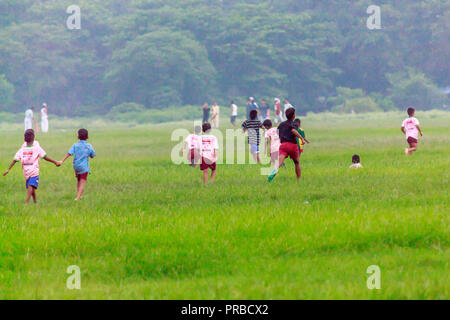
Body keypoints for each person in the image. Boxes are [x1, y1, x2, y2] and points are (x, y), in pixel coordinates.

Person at [3, 129, 60, 204]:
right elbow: (45, 157)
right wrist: (55, 162)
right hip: (33, 170)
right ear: (34, 138)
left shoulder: (22, 149)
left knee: (31, 185)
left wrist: (8, 169)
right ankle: (29, 203)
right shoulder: (37, 148)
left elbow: (15, 160)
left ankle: (32, 202)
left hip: (26, 171)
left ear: (24, 139)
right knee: (31, 186)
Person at [268, 108, 305, 182]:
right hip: (292, 146)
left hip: (283, 145)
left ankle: (274, 171)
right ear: (294, 115)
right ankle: (298, 179)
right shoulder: (293, 124)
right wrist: (301, 138)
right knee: (297, 162)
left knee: (279, 162)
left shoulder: (282, 124)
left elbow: (277, 133)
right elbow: (293, 130)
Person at [59, 129, 96, 201]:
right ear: (87, 137)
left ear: (78, 137)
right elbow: (93, 155)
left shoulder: (75, 145)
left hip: (76, 166)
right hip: (84, 167)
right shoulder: (89, 146)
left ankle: (79, 195)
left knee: (78, 180)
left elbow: (69, 153)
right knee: (83, 181)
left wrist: (62, 161)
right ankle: (78, 197)